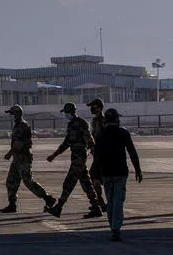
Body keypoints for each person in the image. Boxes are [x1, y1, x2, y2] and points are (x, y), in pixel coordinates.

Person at [90, 108, 142, 242]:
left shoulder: (101, 135)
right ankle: (115, 229)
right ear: (117, 119)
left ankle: (113, 227)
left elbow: (97, 158)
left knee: (111, 201)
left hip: (106, 173)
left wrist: (94, 175)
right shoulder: (123, 133)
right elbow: (132, 152)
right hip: (120, 172)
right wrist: (138, 169)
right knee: (118, 201)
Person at [47, 102, 102, 218]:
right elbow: (66, 142)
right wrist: (54, 155)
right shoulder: (71, 125)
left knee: (69, 182)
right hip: (75, 156)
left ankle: (59, 207)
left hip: (80, 157)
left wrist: (94, 152)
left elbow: (89, 138)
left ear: (70, 112)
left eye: (66, 112)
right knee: (86, 183)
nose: (66, 115)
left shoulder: (82, 123)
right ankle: (96, 208)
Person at [0, 105, 57, 214]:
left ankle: (48, 198)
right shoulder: (17, 125)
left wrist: (9, 153)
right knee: (11, 181)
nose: (12, 116)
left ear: (18, 114)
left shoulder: (22, 126)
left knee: (28, 182)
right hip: (17, 159)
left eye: (13, 114)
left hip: (23, 158)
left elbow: (19, 143)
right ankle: (12, 205)